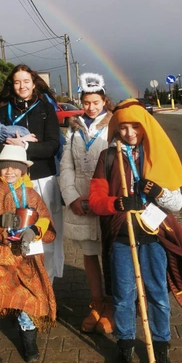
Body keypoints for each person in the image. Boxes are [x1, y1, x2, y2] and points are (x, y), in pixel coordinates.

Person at [89, 98, 182, 363]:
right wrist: (117, 204)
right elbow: (95, 200)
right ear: (116, 129)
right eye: (123, 127)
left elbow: (177, 204)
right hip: (121, 235)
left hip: (153, 236)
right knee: (123, 294)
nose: (129, 132)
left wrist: (157, 192)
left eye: (135, 126)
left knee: (157, 294)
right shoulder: (108, 157)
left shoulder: (157, 154)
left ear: (145, 127)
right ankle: (126, 344)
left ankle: (161, 345)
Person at [0, 144, 57, 363]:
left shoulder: (30, 193)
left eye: (14, 168)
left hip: (26, 255)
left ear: (23, 170)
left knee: (30, 292)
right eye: (4, 167)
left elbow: (44, 218)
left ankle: (27, 334)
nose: (9, 172)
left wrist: (34, 231)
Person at [0, 64, 63, 284]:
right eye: (17, 82)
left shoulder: (45, 109)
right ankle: (18, 286)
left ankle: (46, 284)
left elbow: (52, 146)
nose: (22, 86)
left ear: (33, 83)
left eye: (26, 81)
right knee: (14, 233)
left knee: (45, 231)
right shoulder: (3, 110)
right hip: (12, 181)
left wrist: (22, 146)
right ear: (12, 85)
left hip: (42, 180)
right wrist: (10, 144)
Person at [58, 72, 115, 334]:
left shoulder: (114, 126)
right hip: (81, 198)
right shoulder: (74, 128)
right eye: (87, 102)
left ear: (104, 100)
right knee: (90, 255)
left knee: (113, 255)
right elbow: (66, 166)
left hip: (107, 198)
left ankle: (113, 307)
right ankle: (96, 303)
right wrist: (71, 198)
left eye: (96, 102)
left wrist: (106, 199)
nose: (91, 107)